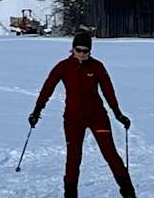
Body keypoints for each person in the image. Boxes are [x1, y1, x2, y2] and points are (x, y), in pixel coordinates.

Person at [29, 31, 135, 198]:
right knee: (73, 158)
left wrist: (118, 114)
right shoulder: (63, 66)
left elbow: (108, 91)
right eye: (79, 50)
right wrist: (36, 111)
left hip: (97, 116)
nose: (82, 54)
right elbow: (47, 88)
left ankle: (129, 193)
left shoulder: (97, 66)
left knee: (110, 154)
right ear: (72, 49)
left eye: (86, 51)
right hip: (73, 118)